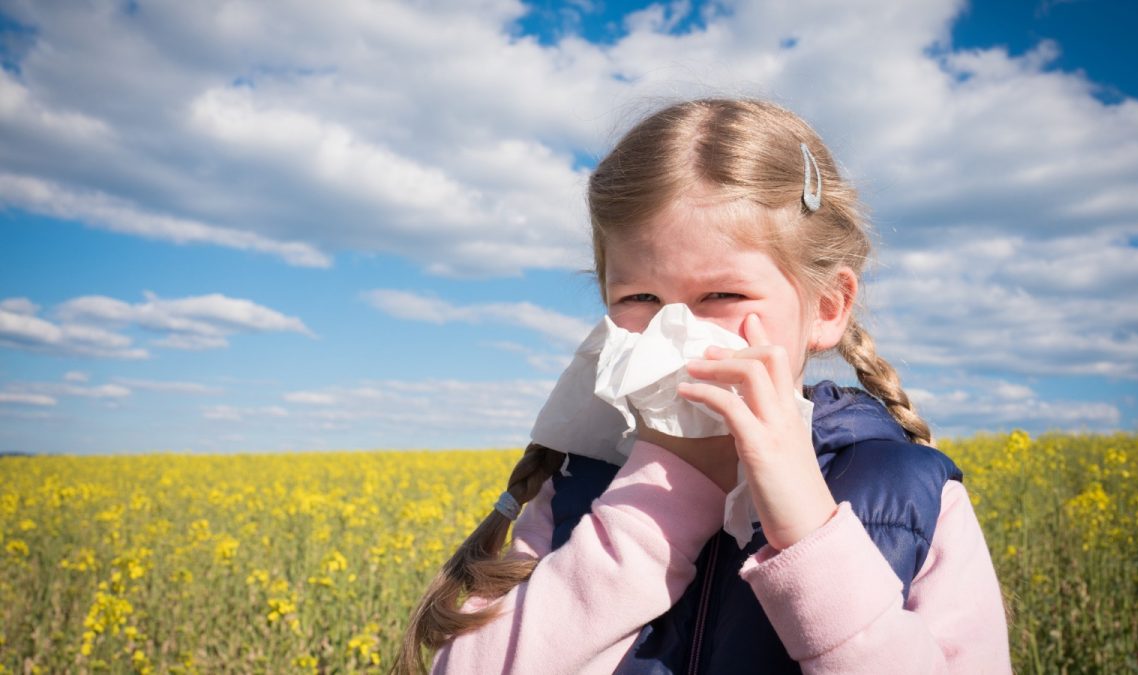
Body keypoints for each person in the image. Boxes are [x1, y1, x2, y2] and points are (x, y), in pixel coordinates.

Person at [393, 98, 1011, 674]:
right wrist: (659, 499)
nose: (674, 332)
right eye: (639, 298)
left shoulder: (908, 495)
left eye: (722, 295)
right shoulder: (579, 485)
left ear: (826, 307)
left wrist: (810, 533)